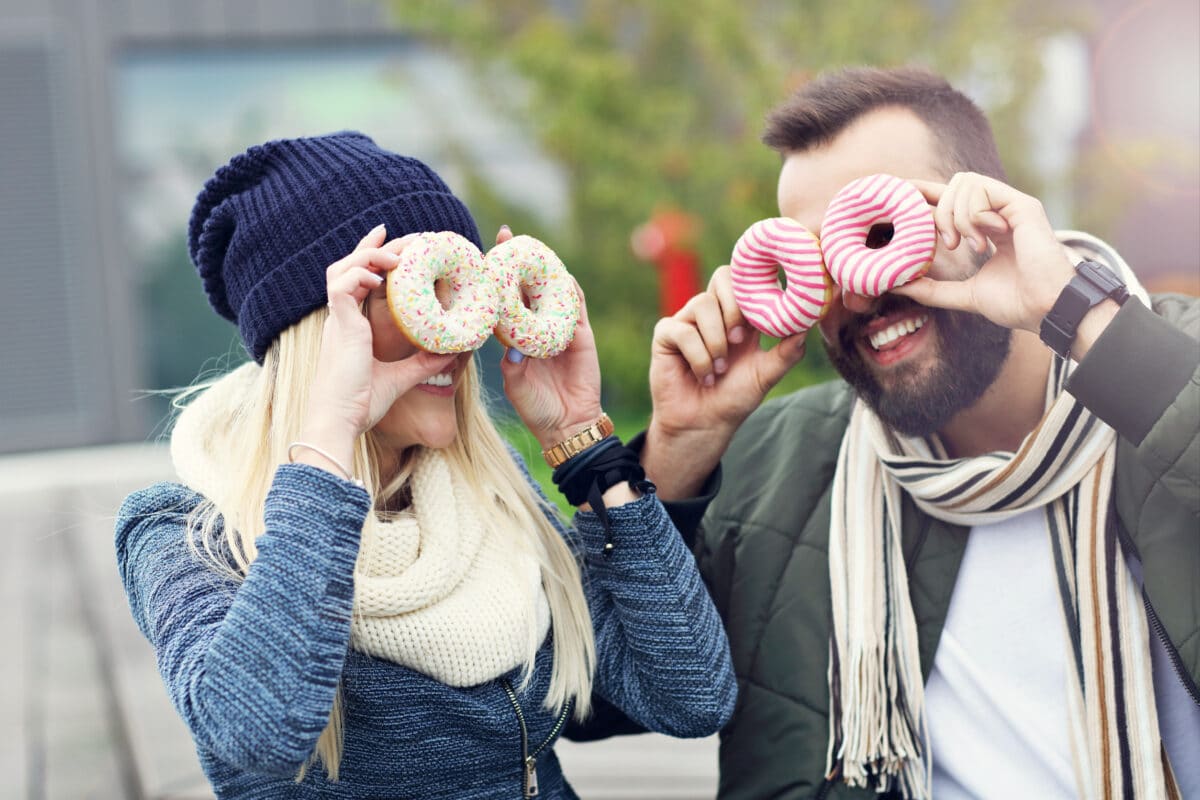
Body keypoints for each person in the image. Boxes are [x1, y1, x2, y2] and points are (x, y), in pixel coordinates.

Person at [571, 66, 1199, 798]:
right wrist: (680, 446)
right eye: (820, 256)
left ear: (990, 215)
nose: (860, 288)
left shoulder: (1170, 371)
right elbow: (586, 700)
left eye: (878, 232)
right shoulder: (779, 463)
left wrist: (1078, 315)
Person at [114, 132, 736, 799]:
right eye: (419, 297)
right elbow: (257, 730)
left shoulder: (490, 501)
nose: (456, 336)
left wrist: (584, 442)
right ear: (320, 330)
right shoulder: (186, 532)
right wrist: (328, 438)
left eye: (464, 294)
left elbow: (690, 695)